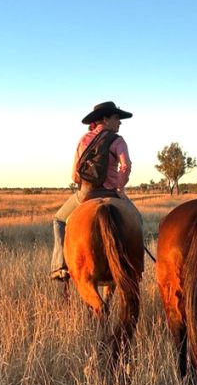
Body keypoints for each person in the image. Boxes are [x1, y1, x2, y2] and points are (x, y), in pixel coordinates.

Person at [49, 101, 136, 281]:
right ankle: (136, 267)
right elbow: (125, 166)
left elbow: (75, 175)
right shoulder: (118, 141)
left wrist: (87, 185)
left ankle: (59, 265)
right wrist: (119, 187)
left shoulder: (84, 140)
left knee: (58, 219)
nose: (120, 122)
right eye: (116, 118)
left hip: (86, 193)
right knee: (138, 220)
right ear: (105, 119)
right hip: (112, 193)